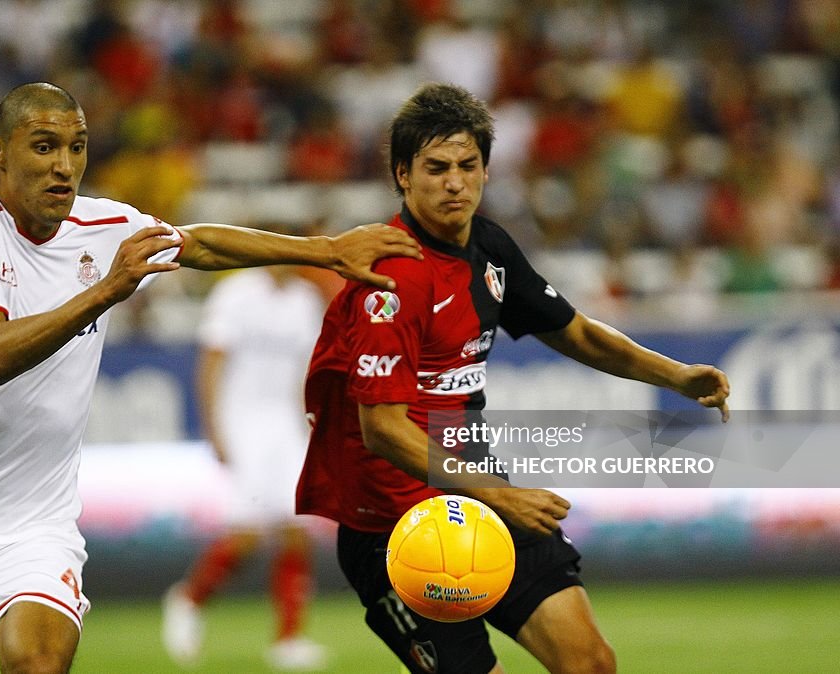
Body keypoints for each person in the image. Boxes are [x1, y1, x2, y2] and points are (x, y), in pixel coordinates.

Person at [0, 82, 419, 674]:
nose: (65, 165)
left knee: (40, 658)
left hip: (32, 525)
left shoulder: (103, 225)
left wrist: (324, 250)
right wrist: (108, 289)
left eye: (77, 148)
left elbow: (198, 244)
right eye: (44, 146)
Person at [294, 83, 731, 674]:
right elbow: (383, 431)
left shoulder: (489, 248)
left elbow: (572, 330)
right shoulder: (391, 281)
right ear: (403, 175)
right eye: (436, 168)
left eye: (468, 166)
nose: (455, 182)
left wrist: (676, 376)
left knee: (591, 664)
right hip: (399, 529)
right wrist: (500, 495)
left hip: (481, 498)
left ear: (487, 172)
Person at [162, 262, 327, 670]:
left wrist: (308, 427)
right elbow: (212, 361)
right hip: (241, 420)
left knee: (296, 529)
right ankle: (189, 598)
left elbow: (304, 372)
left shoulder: (305, 300)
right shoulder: (236, 292)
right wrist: (213, 426)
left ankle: (288, 639)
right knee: (249, 534)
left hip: (284, 424)